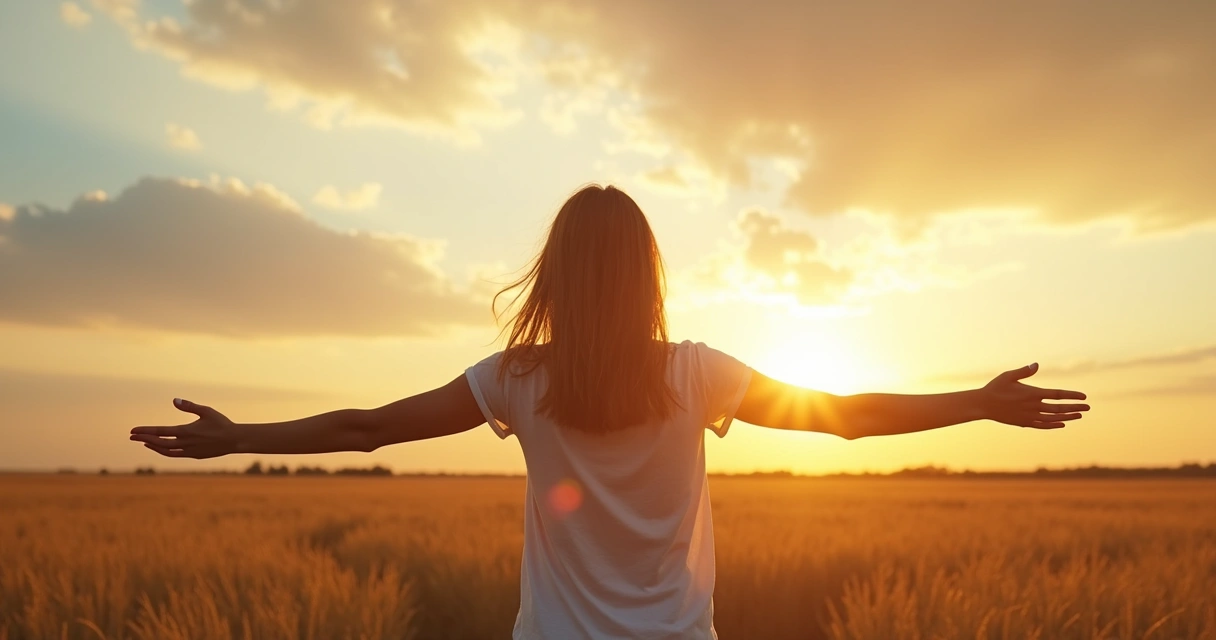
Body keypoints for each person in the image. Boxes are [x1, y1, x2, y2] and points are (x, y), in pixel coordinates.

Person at [129, 184, 1089, 639]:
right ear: (647, 277)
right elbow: (841, 415)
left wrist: (239, 436)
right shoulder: (696, 373)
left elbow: (367, 426)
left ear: (557, 275)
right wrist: (977, 403)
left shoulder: (517, 379)